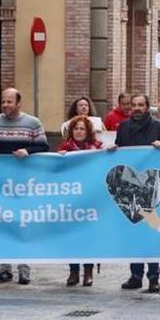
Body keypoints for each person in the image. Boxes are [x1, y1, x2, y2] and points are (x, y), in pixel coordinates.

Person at [0, 87, 49, 285]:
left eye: (9, 102)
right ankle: (4, 267)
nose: (5, 105)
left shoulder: (33, 123)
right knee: (2, 225)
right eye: (3, 101)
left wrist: (28, 150)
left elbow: (44, 147)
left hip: (24, 185)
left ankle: (24, 268)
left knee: (22, 226)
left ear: (19, 103)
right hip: (0, 185)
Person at [113, 94, 160, 293]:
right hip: (129, 189)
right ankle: (135, 275)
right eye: (134, 105)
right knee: (133, 232)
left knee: (150, 233)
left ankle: (154, 276)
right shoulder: (123, 128)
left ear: (148, 107)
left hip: (151, 189)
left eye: (140, 105)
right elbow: (119, 154)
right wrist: (114, 150)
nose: (136, 108)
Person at [58, 115, 103, 287]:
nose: (78, 131)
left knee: (88, 236)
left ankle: (88, 270)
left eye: (82, 128)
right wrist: (60, 158)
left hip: (90, 198)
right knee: (72, 236)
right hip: (71, 199)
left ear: (88, 131)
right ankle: (74, 270)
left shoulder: (97, 148)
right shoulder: (65, 147)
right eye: (76, 128)